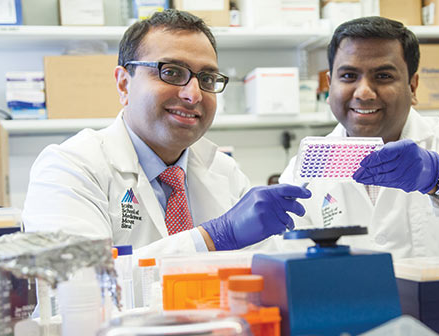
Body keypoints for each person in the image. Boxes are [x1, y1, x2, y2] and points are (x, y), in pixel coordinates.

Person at [22, 10, 311, 259]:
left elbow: (266, 273)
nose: (193, 94)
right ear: (124, 84)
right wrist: (213, 238)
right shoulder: (70, 167)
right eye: (171, 72)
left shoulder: (225, 172)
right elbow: (79, 287)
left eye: (207, 79)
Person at [280, 17, 439, 259]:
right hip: (351, 305)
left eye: (383, 76)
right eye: (348, 76)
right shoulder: (303, 169)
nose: (364, 92)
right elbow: (286, 257)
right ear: (329, 85)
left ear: (413, 87)